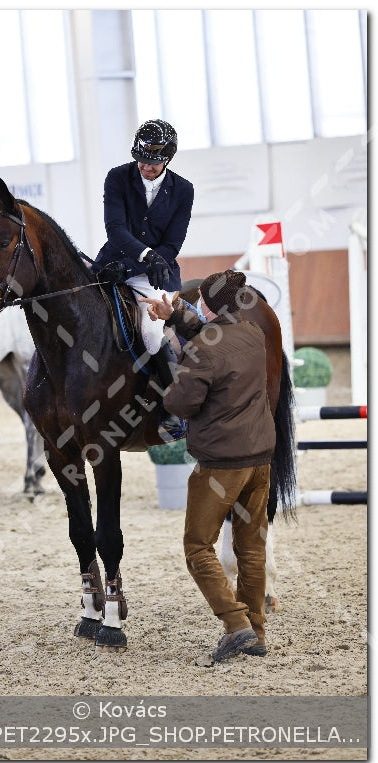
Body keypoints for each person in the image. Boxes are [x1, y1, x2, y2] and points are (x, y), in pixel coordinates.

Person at [139, 270, 276, 662]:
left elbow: (180, 404)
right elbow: (212, 332)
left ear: (212, 306)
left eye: (200, 301)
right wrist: (175, 314)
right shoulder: (252, 333)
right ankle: (257, 632)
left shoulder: (202, 351)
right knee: (251, 549)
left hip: (220, 465)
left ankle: (235, 625)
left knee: (197, 547)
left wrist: (178, 360)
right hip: (260, 459)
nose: (197, 305)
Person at [94, 118, 194, 440]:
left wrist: (144, 262)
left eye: (152, 163)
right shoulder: (118, 178)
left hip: (155, 272)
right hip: (113, 262)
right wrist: (138, 258)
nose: (145, 167)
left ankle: (171, 410)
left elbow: (172, 243)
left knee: (152, 332)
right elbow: (116, 229)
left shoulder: (183, 190)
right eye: (141, 160)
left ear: (167, 159)